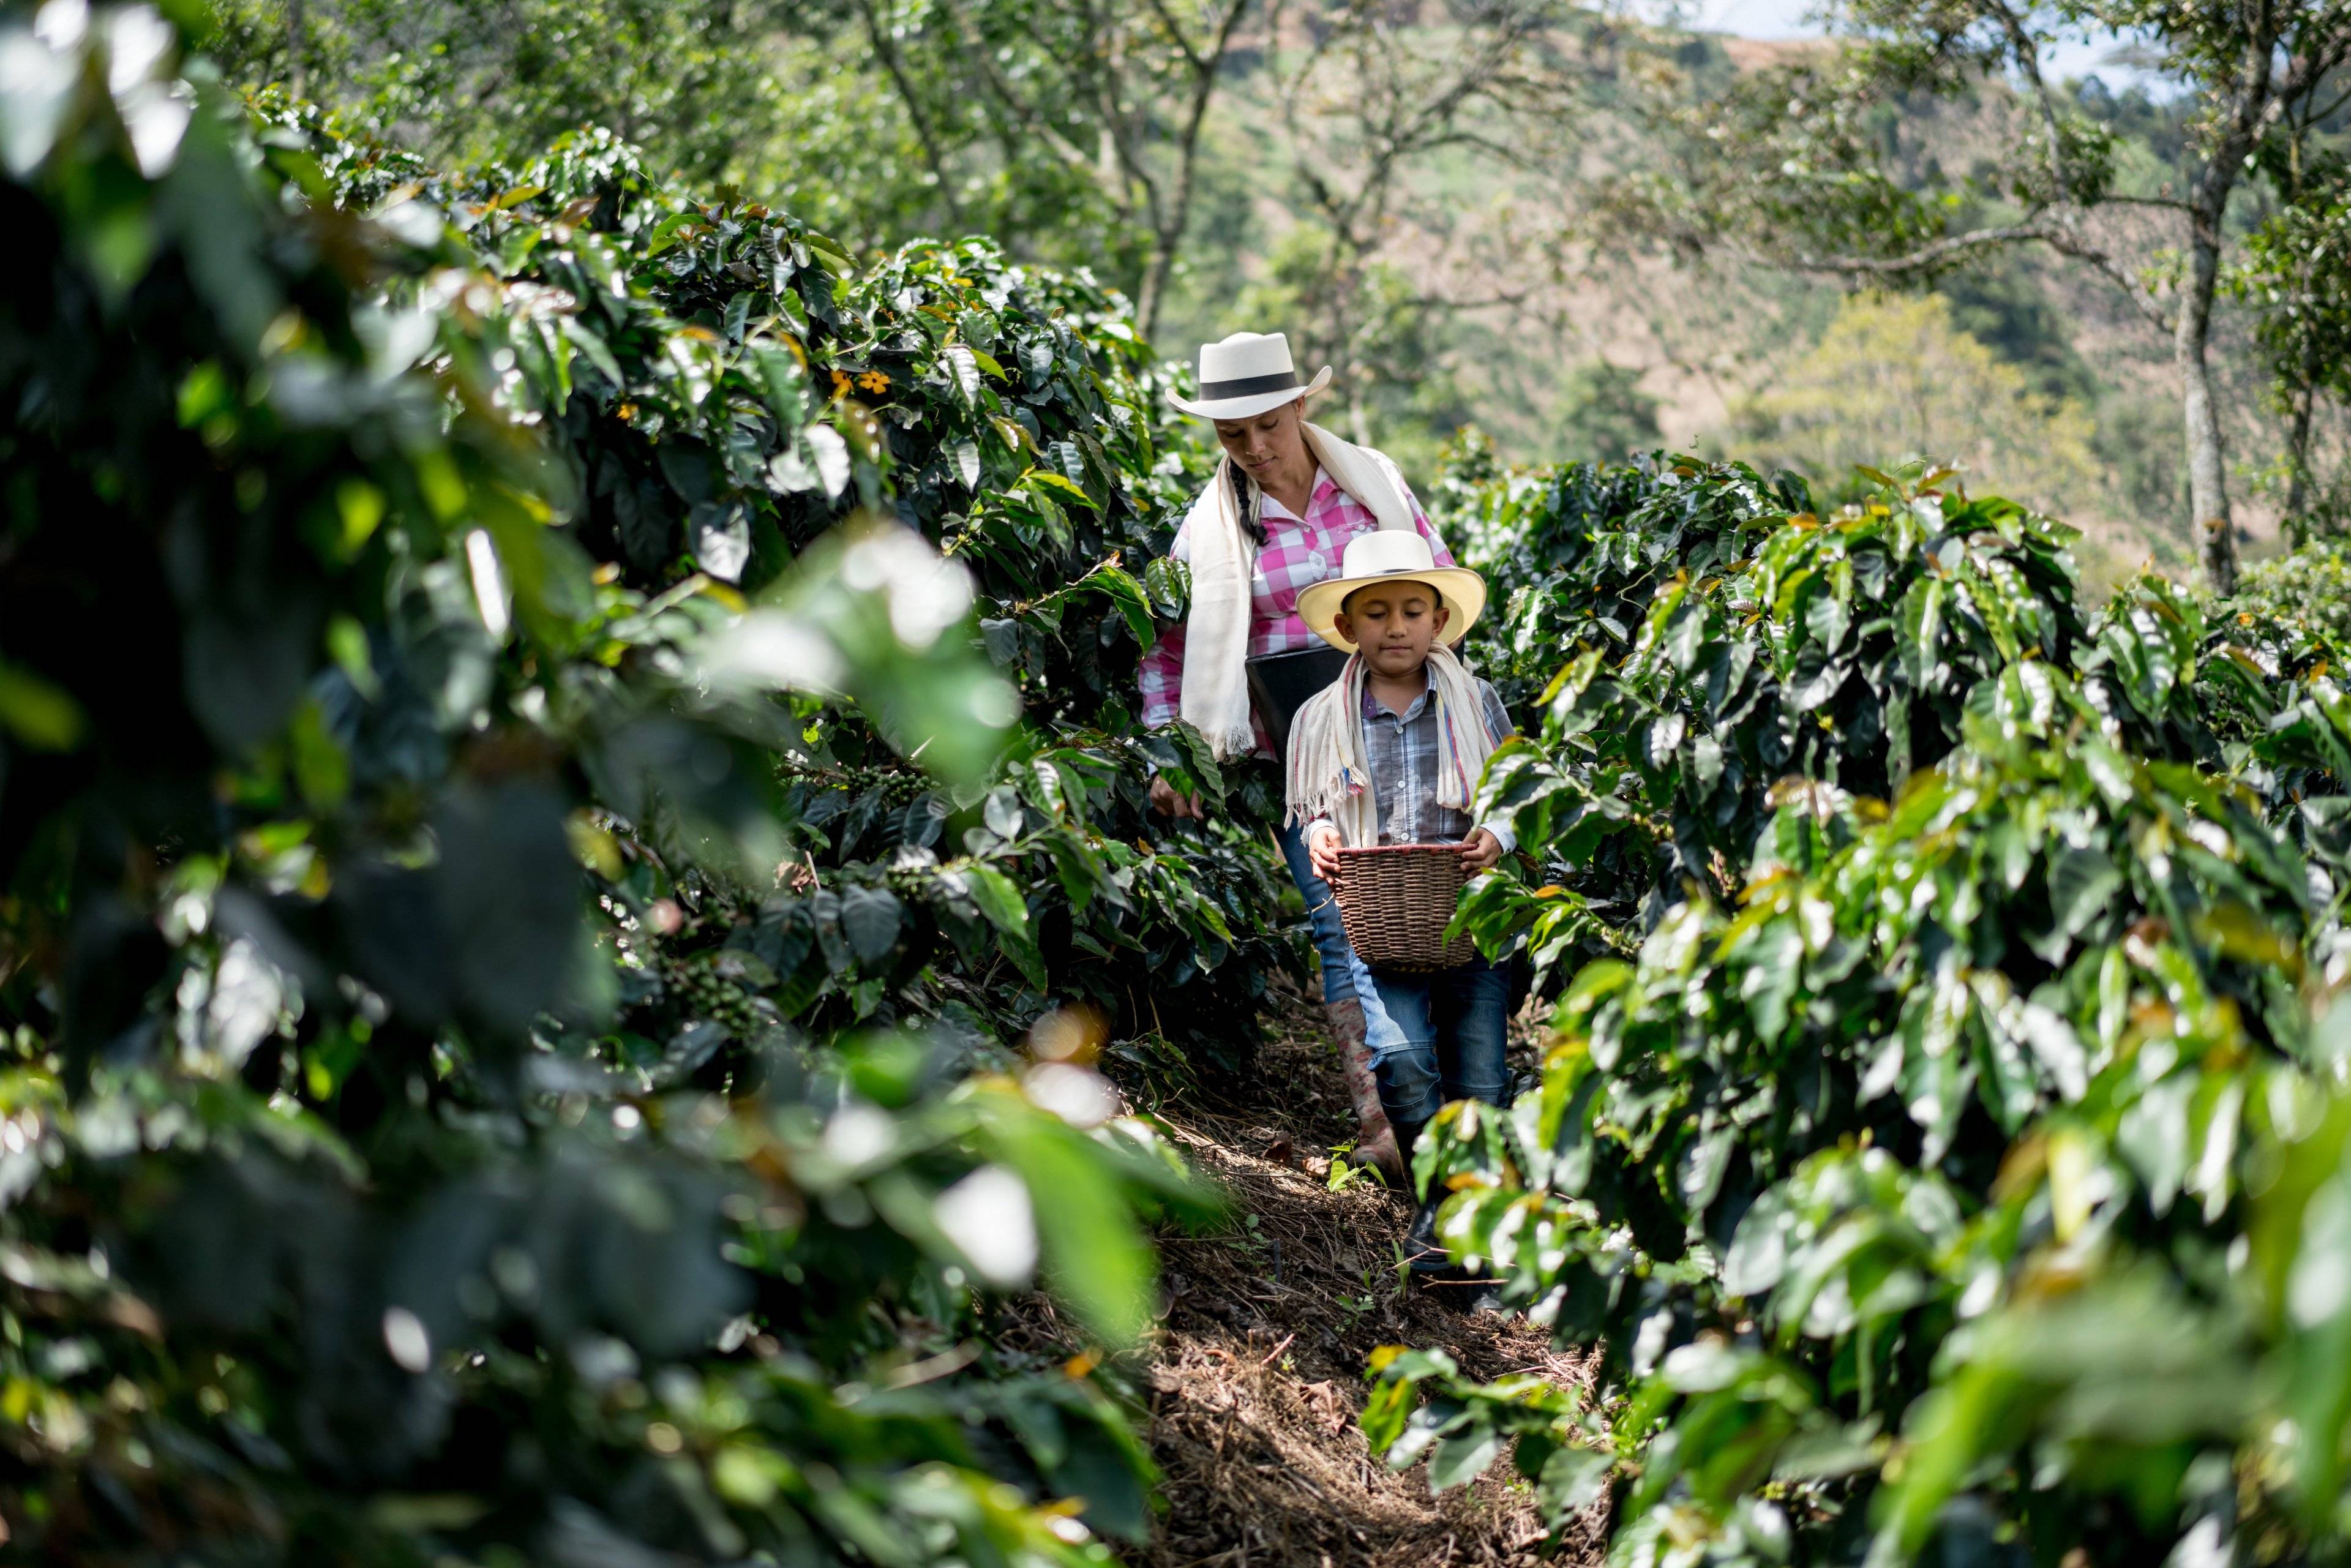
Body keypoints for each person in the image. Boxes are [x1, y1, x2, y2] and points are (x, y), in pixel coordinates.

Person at [1142, 330, 1461, 1183]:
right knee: (1337, 917)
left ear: (1300, 408)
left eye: (1268, 425)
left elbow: (1441, 582)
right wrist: (1171, 750)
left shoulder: (1372, 488)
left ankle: (1446, 1099)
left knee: (1423, 904)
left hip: (1409, 731)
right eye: (1232, 434)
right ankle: (1384, 1117)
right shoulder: (1211, 529)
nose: (1253, 448)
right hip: (1306, 753)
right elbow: (1165, 652)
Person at [1284, 530, 1517, 1273]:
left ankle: (1462, 1216)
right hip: (1381, 922)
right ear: (1348, 626)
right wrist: (1322, 835)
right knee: (1406, 1057)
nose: (1396, 626)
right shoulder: (1323, 716)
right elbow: (1316, 804)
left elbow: (1514, 789)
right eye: (1377, 612)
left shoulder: (1475, 702)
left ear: (1439, 621)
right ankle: (1438, 1192)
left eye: (1413, 609)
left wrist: (1498, 836)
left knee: (1480, 1076)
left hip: (1472, 917)